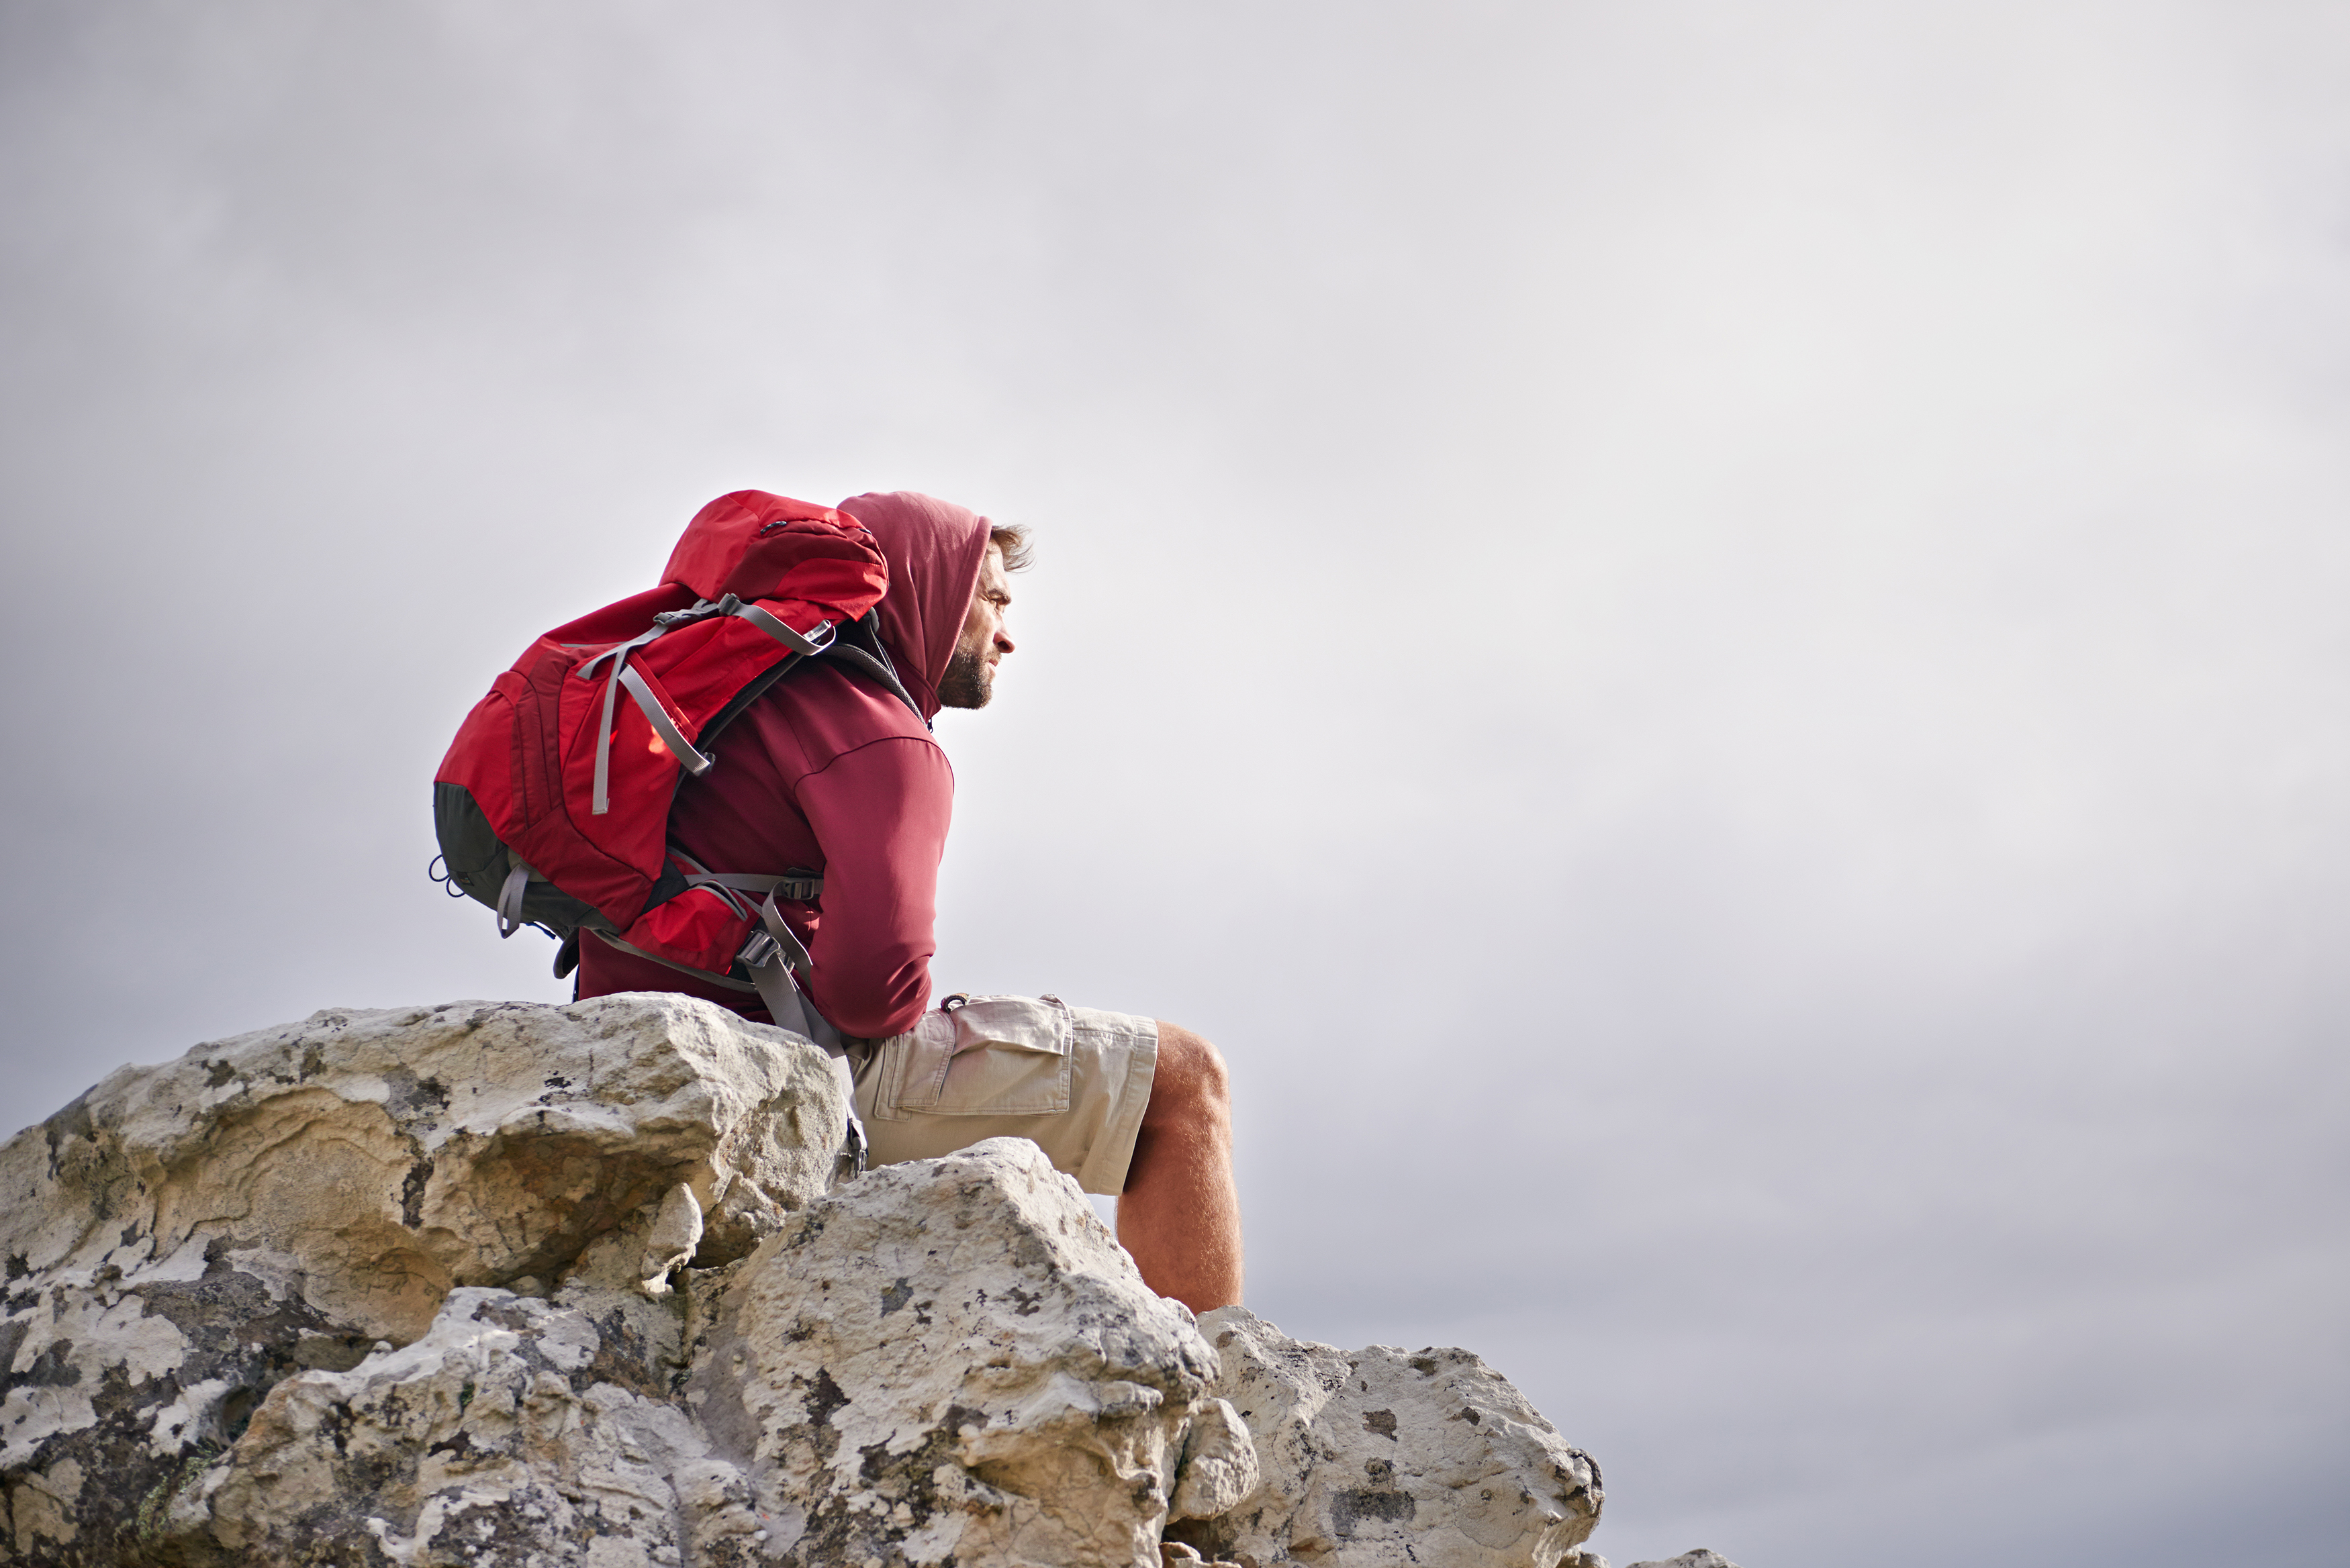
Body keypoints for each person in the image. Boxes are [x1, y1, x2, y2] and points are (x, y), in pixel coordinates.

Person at [573, 491, 1243, 1314]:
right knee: (1179, 1081)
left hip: (631, 1045)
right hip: (772, 1070)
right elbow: (870, 993)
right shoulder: (882, 736)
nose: (1007, 631)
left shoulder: (733, 688)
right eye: (991, 598)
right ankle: (1223, 1406)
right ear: (928, 588)